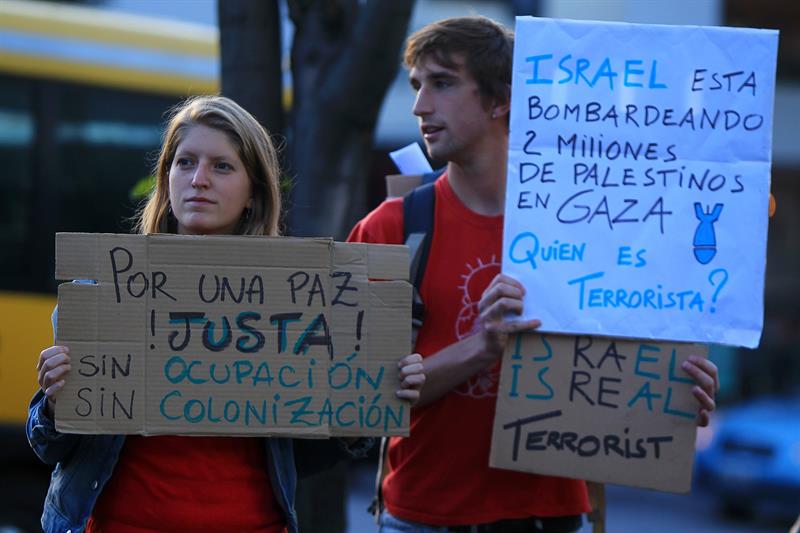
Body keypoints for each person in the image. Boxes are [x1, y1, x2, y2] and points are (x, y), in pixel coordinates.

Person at [348, 16, 719, 533]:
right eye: (417, 85)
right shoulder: (392, 227)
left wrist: (674, 394)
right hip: (422, 519)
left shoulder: (598, 227)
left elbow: (624, 374)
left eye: (443, 83)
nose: (419, 106)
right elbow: (358, 395)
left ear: (501, 100)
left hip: (555, 519)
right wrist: (484, 346)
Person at [28, 95, 426, 533]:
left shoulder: (297, 305)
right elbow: (49, 446)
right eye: (185, 163)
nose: (199, 179)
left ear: (253, 192)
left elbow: (304, 456)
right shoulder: (104, 294)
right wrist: (53, 400)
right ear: (166, 179)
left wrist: (365, 408)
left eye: (221, 166)